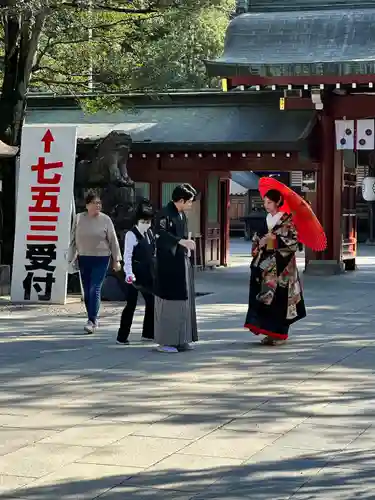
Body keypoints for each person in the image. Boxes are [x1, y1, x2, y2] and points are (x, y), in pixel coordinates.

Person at [244, 189, 306, 346]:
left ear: (278, 202)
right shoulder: (266, 220)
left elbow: (294, 242)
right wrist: (261, 243)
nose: (266, 205)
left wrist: (275, 240)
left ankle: (279, 334)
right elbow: (256, 240)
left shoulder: (287, 220)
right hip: (265, 264)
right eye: (264, 202)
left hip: (282, 266)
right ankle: (268, 332)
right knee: (264, 297)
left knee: (281, 298)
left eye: (269, 202)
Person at [68, 191, 122, 334]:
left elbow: (113, 240)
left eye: (99, 203)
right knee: (87, 291)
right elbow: (73, 239)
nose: (97, 205)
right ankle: (92, 317)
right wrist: (71, 257)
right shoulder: (79, 218)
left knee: (94, 288)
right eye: (94, 203)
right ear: (87, 205)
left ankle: (92, 320)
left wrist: (116, 260)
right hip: (84, 257)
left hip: (101, 258)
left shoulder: (105, 220)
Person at [153, 183, 198, 353]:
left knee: (183, 301)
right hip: (167, 264)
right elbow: (160, 234)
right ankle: (165, 342)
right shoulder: (164, 214)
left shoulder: (181, 215)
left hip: (180, 261)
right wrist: (180, 241)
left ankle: (181, 339)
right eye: (189, 201)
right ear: (181, 200)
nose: (190, 205)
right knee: (168, 303)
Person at [116, 200, 155, 345]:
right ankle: (122, 335)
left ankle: (148, 333)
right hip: (133, 272)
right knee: (131, 304)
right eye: (144, 221)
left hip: (147, 272)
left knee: (151, 301)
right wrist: (128, 273)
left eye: (149, 221)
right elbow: (127, 256)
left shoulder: (150, 233)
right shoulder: (131, 235)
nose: (147, 223)